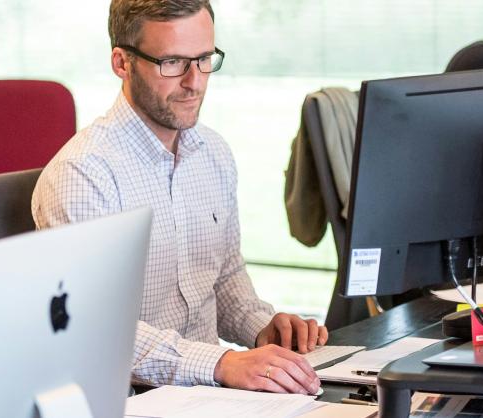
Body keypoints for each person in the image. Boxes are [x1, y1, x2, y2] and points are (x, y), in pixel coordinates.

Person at [32, 0, 326, 394]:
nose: (195, 82)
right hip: (133, 400)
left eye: (204, 59)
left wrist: (263, 329)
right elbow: (96, 328)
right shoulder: (84, 174)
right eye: (172, 63)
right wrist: (222, 363)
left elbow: (224, 279)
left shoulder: (213, 153)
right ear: (122, 63)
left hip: (211, 393)